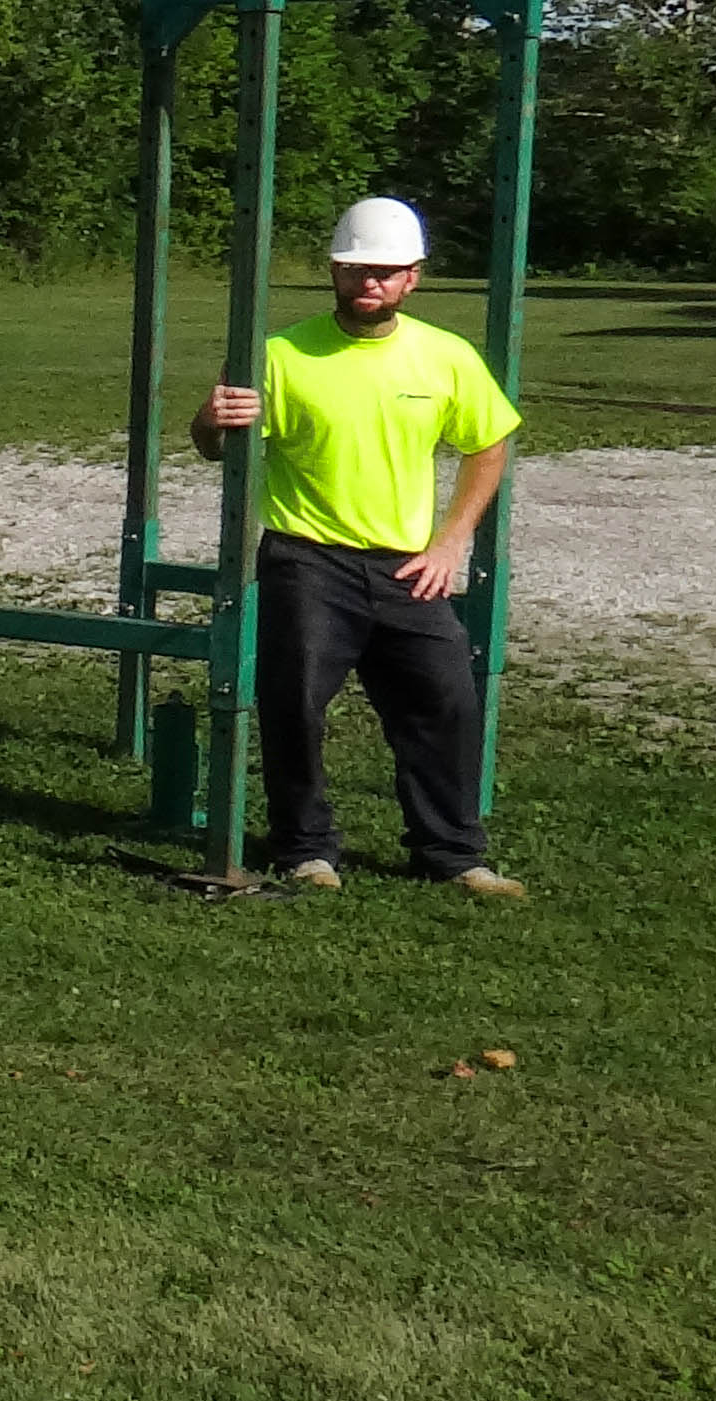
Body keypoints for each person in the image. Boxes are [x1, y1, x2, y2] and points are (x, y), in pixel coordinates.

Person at [192, 194, 524, 897]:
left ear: (414, 278)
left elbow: (490, 443)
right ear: (335, 272)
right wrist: (212, 421)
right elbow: (214, 446)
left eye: (385, 271)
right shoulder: (279, 354)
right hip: (306, 557)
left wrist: (451, 542)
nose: (368, 282)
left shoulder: (447, 358)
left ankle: (454, 856)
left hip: (409, 565)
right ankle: (306, 850)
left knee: (447, 703)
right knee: (296, 703)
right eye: (355, 269)